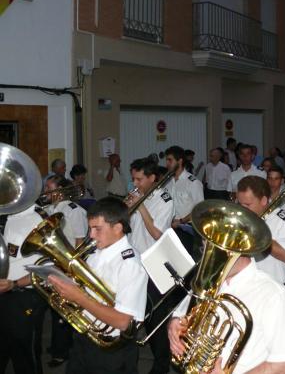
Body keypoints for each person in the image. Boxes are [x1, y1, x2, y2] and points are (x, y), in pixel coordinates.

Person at [48, 197, 148, 374]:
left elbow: (123, 321)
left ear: (118, 228)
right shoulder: (95, 254)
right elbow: (86, 294)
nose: (91, 235)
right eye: (90, 228)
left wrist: (79, 297)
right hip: (84, 339)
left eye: (97, 229)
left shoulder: (130, 265)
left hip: (111, 352)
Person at [168, 254, 285, 373]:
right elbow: (181, 315)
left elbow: (284, 366)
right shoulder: (206, 282)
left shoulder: (274, 294)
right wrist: (175, 325)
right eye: (206, 244)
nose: (209, 255)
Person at [127, 157, 174, 374]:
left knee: (155, 318)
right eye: (133, 178)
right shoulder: (138, 195)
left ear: (152, 178)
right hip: (135, 262)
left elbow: (157, 234)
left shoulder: (164, 200)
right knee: (135, 314)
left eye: (139, 179)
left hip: (155, 264)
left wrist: (141, 206)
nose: (134, 183)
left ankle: (162, 364)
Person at [43, 175, 89, 367]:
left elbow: (80, 241)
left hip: (67, 265)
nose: (46, 191)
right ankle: (58, 345)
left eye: (50, 188)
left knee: (64, 311)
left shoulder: (73, 210)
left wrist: (71, 268)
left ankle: (62, 351)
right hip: (54, 263)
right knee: (55, 309)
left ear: (60, 191)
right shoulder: (50, 209)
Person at [0, 204, 47, 374]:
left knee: (25, 354)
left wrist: (14, 284)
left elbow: (48, 269)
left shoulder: (38, 219)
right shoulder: (8, 216)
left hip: (25, 295)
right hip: (5, 294)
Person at [234, 176, 285, 285]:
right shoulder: (238, 216)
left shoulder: (283, 219)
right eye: (240, 204)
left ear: (263, 200)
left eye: (247, 205)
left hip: (270, 285)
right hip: (242, 282)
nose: (242, 209)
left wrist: (257, 233)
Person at [164, 145, 205, 256]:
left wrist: (181, 221)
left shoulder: (193, 183)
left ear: (180, 161)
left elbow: (200, 209)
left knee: (185, 263)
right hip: (169, 226)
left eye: (170, 160)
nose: (167, 164)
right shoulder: (168, 181)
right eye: (166, 160)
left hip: (185, 228)